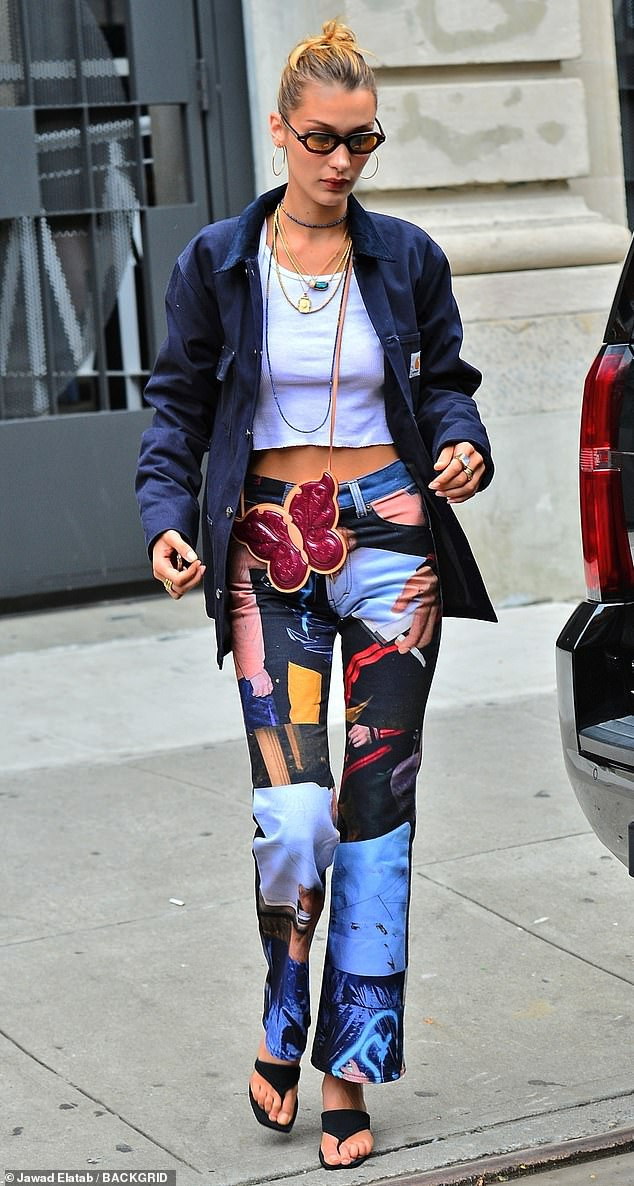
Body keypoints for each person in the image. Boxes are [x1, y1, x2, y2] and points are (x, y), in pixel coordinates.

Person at [135, 19, 495, 1172]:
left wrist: (461, 443)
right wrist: (166, 522)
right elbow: (177, 406)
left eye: (363, 141)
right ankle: (285, 1004)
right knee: (294, 815)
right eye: (323, 139)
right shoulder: (217, 262)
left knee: (377, 814)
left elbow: (444, 384)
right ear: (280, 132)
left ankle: (350, 1060)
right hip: (267, 553)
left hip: (390, 549)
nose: (342, 162)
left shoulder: (406, 257)